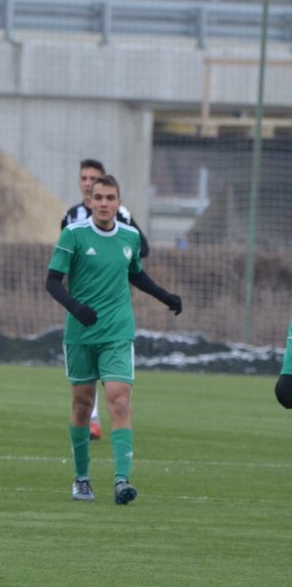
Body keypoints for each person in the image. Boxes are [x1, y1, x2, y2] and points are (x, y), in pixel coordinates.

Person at [47, 175, 182, 504]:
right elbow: (52, 282)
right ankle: (82, 479)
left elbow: (135, 273)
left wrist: (165, 296)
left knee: (120, 402)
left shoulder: (130, 237)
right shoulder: (74, 235)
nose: (104, 203)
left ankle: (122, 481)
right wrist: (75, 308)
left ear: (119, 203)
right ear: (89, 202)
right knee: (81, 405)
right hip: (80, 335)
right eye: (99, 197)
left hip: (118, 333)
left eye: (110, 197)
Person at [60, 158, 150, 441]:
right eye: (84, 179)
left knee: (116, 388)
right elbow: (64, 256)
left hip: (113, 309)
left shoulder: (120, 214)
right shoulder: (72, 217)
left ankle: (110, 416)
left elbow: (140, 248)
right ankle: (93, 419)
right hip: (82, 307)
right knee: (84, 383)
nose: (88, 184)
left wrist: (117, 264)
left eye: (93, 179)